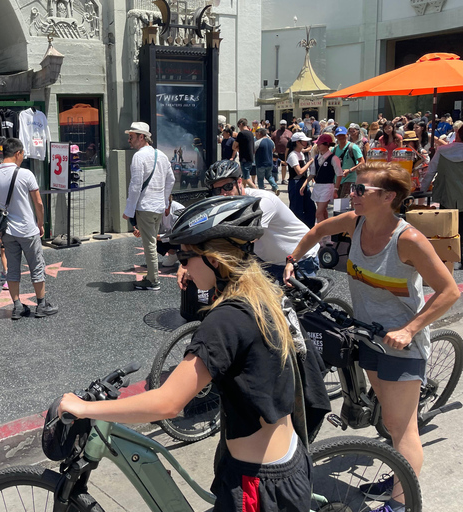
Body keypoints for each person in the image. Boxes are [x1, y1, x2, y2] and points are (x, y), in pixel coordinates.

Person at [60, 195, 313, 512]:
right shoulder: (264, 295)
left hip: (256, 485)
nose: (181, 269)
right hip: (287, 460)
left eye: (185, 259)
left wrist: (83, 408)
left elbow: (167, 403)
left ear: (214, 259)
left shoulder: (227, 321)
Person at [284, 161, 460, 512]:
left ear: (389, 197)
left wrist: (409, 329)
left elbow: (449, 291)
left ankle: (401, 502)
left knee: (401, 426)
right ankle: (399, 473)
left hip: (400, 343)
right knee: (387, 421)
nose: (352, 194)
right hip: (366, 337)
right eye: (352, 187)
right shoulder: (355, 223)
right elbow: (317, 231)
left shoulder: (408, 240)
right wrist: (292, 259)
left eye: (361, 190)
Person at [177, 160, 319, 284]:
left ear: (239, 182)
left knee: (302, 312)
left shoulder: (262, 202)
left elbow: (246, 237)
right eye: (217, 190)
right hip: (268, 261)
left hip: (301, 259)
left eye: (227, 187)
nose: (223, 194)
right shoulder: (223, 204)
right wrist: (186, 262)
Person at [0, 138, 58, 319]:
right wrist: (40, 223)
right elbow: (38, 203)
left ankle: (17, 306)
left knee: (12, 269)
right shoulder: (26, 174)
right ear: (17, 153)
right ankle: (41, 304)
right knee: (37, 266)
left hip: (7, 230)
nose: (23, 157)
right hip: (27, 229)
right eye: (23, 153)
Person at [123, 122, 176, 290]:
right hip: (158, 207)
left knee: (149, 244)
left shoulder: (139, 156)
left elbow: (135, 185)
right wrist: (165, 200)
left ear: (142, 137)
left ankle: (153, 280)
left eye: (131, 137)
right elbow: (171, 179)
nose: (129, 140)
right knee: (151, 241)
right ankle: (151, 276)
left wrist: (129, 210)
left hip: (145, 207)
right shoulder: (160, 154)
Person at [421, 123, 463, 246]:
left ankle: (451, 260)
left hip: (447, 196)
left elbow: (430, 172)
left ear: (457, 135)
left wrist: (423, 190)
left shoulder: (443, 150)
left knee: (449, 233)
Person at [300, 134, 342, 244]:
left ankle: (320, 236)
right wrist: (305, 184)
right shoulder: (317, 158)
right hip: (318, 186)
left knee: (318, 213)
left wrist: (336, 190)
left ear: (326, 144)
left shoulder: (334, 158)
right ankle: (327, 236)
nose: (317, 145)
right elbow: (312, 173)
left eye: (319, 143)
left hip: (328, 186)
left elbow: (339, 174)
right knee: (323, 213)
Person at [287, 132, 317, 228]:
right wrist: (309, 163)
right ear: (297, 142)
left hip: (303, 182)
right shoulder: (293, 155)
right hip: (295, 183)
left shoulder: (300, 153)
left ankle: (308, 229)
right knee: (297, 210)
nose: (305, 143)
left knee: (310, 207)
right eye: (303, 141)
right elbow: (299, 171)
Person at [333, 126, 365, 199]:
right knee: (338, 204)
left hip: (350, 179)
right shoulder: (334, 149)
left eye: (343, 135)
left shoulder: (353, 147)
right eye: (338, 135)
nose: (341, 137)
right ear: (335, 136)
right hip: (337, 180)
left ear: (347, 135)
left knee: (344, 201)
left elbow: (362, 162)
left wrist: (350, 170)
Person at [254, 127, 278, 194]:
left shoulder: (258, 142)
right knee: (269, 176)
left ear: (259, 133)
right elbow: (273, 150)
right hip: (270, 163)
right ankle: (275, 187)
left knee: (260, 179)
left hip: (260, 163)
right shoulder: (271, 141)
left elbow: (253, 151)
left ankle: (262, 191)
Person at [235, 118, 256, 188]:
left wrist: (238, 149)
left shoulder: (241, 134)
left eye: (238, 126)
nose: (239, 128)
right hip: (250, 158)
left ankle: (257, 191)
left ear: (241, 124)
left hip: (244, 158)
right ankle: (242, 193)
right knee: (243, 178)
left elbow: (234, 146)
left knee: (247, 179)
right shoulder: (251, 133)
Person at [272, 119, 292, 184]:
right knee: (275, 167)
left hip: (285, 153)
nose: (283, 126)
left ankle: (283, 179)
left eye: (284, 124)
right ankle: (275, 180)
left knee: (284, 166)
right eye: (282, 124)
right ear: (280, 125)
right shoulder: (275, 133)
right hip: (276, 153)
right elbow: (272, 142)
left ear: (286, 125)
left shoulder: (289, 133)